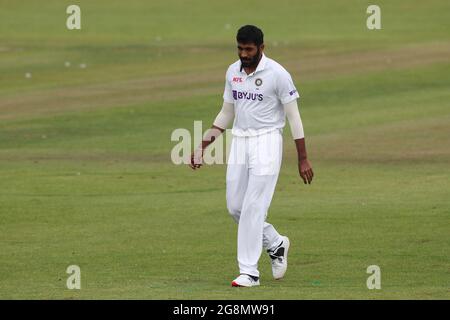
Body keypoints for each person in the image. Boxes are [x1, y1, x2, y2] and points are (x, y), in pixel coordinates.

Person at [189, 25, 314, 287]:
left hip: (268, 140)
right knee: (236, 207)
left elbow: (294, 118)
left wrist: (302, 158)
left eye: (249, 49)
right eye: (240, 49)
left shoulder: (278, 74)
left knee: (254, 206)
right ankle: (276, 243)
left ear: (261, 48)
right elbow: (226, 113)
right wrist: (203, 145)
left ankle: (249, 272)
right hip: (240, 140)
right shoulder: (232, 72)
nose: (243, 54)